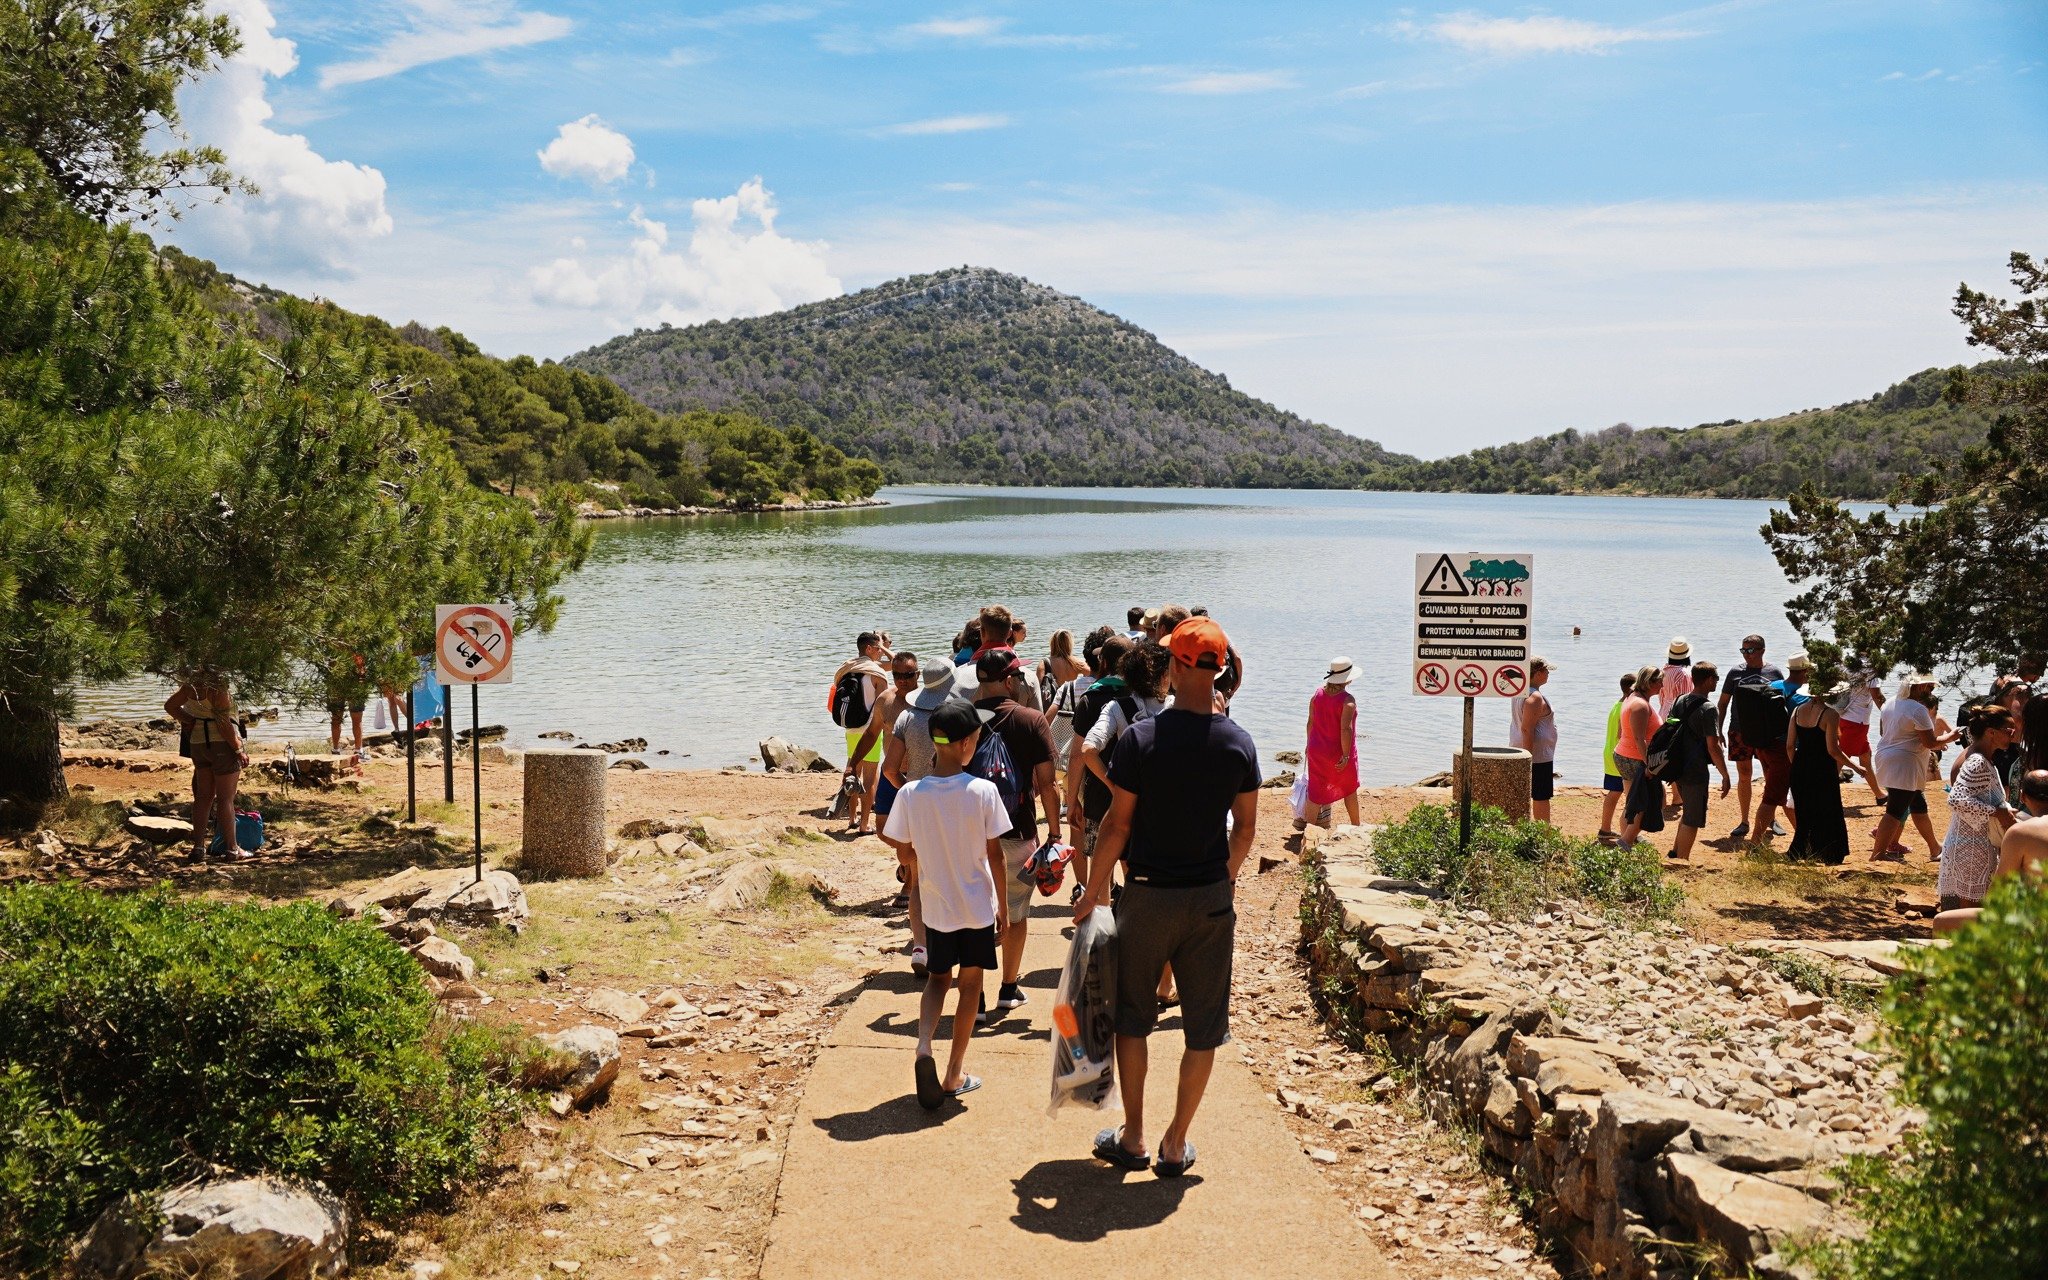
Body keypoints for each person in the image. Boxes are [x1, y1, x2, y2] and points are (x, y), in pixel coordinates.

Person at [1075, 616, 1259, 1179]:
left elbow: (1117, 826)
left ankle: (1132, 1136)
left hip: (1149, 896)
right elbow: (1246, 830)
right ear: (1220, 669)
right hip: (1208, 900)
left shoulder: (1142, 739)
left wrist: (1092, 893)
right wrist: (1219, 880)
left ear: (1175, 666)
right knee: (1203, 1027)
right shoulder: (1238, 742)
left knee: (1133, 1019)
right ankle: (1175, 1144)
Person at [880, 698, 1011, 1109]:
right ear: (968, 742)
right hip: (974, 906)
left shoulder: (912, 793)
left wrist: (922, 857)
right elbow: (995, 856)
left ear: (936, 742)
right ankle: (954, 1073)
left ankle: (923, 1048)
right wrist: (1003, 910)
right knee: (969, 986)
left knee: (938, 980)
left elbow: (903, 852)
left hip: (935, 907)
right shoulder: (983, 791)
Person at [971, 649, 1062, 1021]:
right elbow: (1048, 782)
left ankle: (973, 999)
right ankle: (1008, 988)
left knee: (975, 912)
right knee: (1017, 912)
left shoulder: (964, 719)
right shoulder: (1031, 720)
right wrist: (1055, 833)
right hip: (1018, 829)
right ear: (1011, 681)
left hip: (972, 834)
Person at [1064, 633, 1138, 902]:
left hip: (1097, 795)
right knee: (1131, 865)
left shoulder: (1090, 700)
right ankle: (1132, 920)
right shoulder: (1138, 697)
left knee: (1102, 867)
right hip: (1134, 796)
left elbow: (1077, 756)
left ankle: (1103, 928)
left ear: (1103, 663)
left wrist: (1072, 802)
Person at [1937, 704, 2019, 909]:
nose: (2013, 735)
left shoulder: (1983, 758)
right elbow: (1955, 800)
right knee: (1971, 909)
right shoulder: (1977, 762)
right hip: (1971, 848)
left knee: (1974, 907)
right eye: (2009, 731)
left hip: (1974, 843)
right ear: (1991, 733)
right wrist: (1997, 812)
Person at [1871, 673, 1956, 861]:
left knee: (1918, 805)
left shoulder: (1890, 703)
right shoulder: (1918, 709)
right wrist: (1952, 736)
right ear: (1919, 687)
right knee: (1895, 810)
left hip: (1887, 758)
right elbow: (1929, 742)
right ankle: (1878, 855)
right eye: (1930, 688)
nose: (1932, 692)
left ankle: (1935, 848)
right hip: (1905, 764)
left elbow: (1885, 732)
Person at [168, 672, 247, 861]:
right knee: (226, 799)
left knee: (203, 797)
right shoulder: (217, 688)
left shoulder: (191, 685)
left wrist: (189, 720)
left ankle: (198, 847)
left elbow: (170, 706)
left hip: (198, 744)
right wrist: (238, 750)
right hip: (221, 745)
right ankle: (232, 849)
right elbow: (223, 724)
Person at [1718, 635, 1789, 841]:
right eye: (1743, 651)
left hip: (1767, 733)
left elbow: (1781, 703)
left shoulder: (1774, 672)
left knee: (1770, 773)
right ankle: (1744, 820)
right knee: (1744, 774)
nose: (1747, 655)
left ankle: (1771, 818)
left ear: (1762, 650)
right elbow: (1722, 703)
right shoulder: (1735, 673)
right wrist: (1719, 729)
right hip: (1739, 731)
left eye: (1751, 650)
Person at [845, 649, 922, 831]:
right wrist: (853, 764)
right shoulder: (885, 700)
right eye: (897, 675)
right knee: (883, 828)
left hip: (919, 775)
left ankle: (909, 860)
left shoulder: (926, 701)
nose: (902, 679)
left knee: (915, 829)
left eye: (908, 675)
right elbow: (871, 734)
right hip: (890, 773)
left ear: (917, 674)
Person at [1667, 662, 1732, 861]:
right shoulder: (1708, 708)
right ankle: (1681, 860)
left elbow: (1669, 728)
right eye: (1716, 678)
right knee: (1693, 818)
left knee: (1688, 812)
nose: (1717, 682)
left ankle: (1676, 852)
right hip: (1695, 770)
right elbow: (1713, 747)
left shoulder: (1679, 700)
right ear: (1708, 680)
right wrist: (1725, 775)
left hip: (1678, 766)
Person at [1784, 674, 1851, 863]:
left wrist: (1796, 765)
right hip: (1822, 769)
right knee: (1828, 810)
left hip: (1800, 767)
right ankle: (1829, 854)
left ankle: (1799, 852)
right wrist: (1856, 767)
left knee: (1804, 813)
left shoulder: (1797, 710)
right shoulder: (1830, 714)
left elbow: (1789, 745)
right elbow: (1833, 750)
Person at [831, 632, 892, 834]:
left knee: (852, 772)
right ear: (869, 649)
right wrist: (885, 648)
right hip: (870, 731)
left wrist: (879, 646)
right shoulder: (876, 673)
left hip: (851, 729)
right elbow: (884, 704)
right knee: (869, 777)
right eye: (877, 649)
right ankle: (865, 825)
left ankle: (851, 819)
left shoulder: (847, 669)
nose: (880, 652)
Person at [1305, 658, 1361, 828]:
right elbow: (1346, 730)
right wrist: (1345, 756)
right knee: (1349, 788)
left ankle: (1309, 831)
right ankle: (1356, 825)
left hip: (1316, 749)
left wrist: (1308, 745)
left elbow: (1310, 722)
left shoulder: (1317, 694)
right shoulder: (1348, 701)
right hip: (1337, 751)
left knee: (1316, 791)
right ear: (1348, 679)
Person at [1506, 657, 1558, 823]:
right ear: (1537, 673)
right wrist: (1527, 758)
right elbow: (1527, 729)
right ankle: (1543, 834)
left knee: (1525, 793)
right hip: (1536, 755)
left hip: (1522, 750)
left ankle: (1526, 829)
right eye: (1546, 670)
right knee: (1541, 795)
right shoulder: (1534, 696)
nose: (1548, 673)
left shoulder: (1519, 691)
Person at [1616, 666, 1662, 847]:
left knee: (1632, 801)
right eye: (1659, 682)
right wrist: (1649, 764)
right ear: (1649, 682)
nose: (1662, 685)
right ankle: (1626, 841)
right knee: (1643, 803)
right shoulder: (1640, 705)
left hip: (1625, 755)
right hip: (1635, 759)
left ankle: (1628, 837)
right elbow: (1639, 738)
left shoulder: (1632, 698)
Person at [1836, 660, 1887, 803]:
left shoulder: (1849, 662)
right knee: (1839, 760)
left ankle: (1880, 795)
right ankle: (1823, 795)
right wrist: (1890, 713)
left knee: (1865, 758)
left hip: (1845, 717)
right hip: (1856, 722)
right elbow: (1877, 696)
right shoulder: (1870, 669)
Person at [1599, 672, 1636, 843]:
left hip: (1609, 752)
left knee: (1614, 792)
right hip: (1620, 754)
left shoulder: (1617, 704)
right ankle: (1627, 833)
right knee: (1626, 793)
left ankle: (1605, 829)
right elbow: (1623, 733)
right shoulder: (1627, 707)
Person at [325, 656, 369, 762]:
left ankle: (336, 750)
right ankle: (358, 751)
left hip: (337, 684)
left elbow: (330, 667)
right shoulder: (355, 646)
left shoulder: (334, 643)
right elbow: (361, 666)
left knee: (337, 718)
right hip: (354, 684)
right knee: (356, 719)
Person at [1659, 639, 1694, 715]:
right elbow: (1684, 700)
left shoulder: (1663, 670)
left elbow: (1661, 697)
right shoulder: (1684, 674)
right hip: (1676, 716)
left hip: (1663, 712)